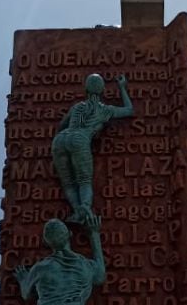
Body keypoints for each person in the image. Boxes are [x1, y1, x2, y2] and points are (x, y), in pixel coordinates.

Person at [52, 74, 132, 225]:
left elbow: (62, 124)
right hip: (80, 139)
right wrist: (122, 88)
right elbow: (129, 110)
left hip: (60, 139)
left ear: (86, 89)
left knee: (69, 183)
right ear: (102, 90)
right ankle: (84, 210)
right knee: (84, 181)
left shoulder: (77, 106)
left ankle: (77, 211)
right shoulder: (104, 109)